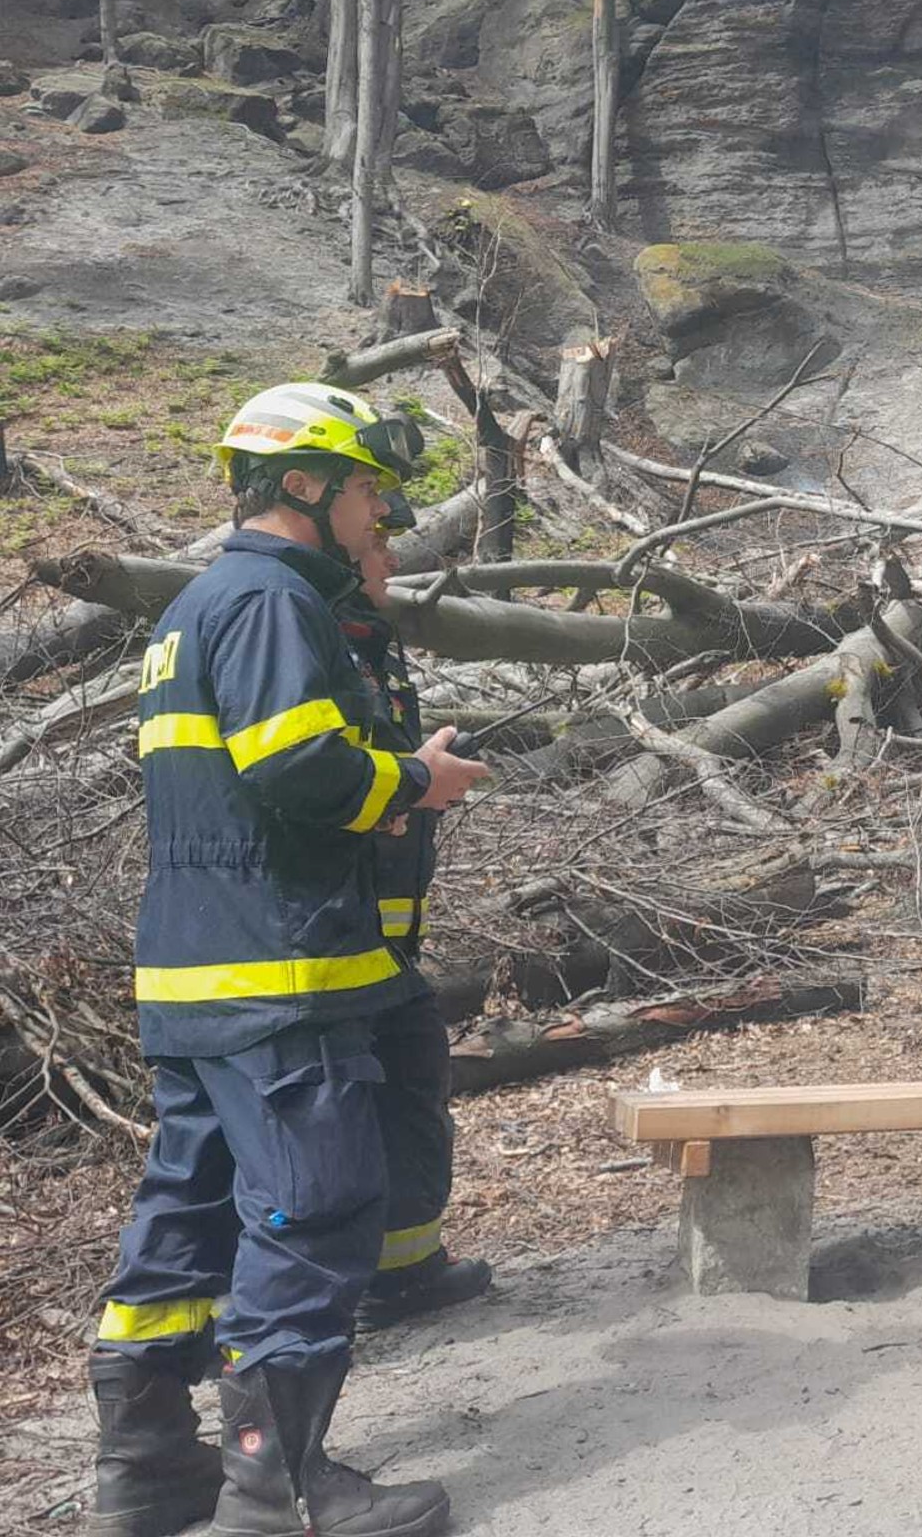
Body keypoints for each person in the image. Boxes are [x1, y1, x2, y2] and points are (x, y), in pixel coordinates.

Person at [86, 384, 486, 1537]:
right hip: (279, 971)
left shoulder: (197, 608)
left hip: (197, 972)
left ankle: (152, 1472)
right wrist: (416, 781)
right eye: (370, 490)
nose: (381, 515)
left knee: (189, 1212)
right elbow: (303, 770)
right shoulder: (268, 602)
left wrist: (390, 786)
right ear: (304, 485)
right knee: (311, 1212)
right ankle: (282, 1489)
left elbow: (249, 786)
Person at [342, 496, 494, 1330]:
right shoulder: (313, 645)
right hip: (332, 937)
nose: (391, 560)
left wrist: (422, 784)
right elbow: (319, 779)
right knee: (350, 1114)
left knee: (412, 1086)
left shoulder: (374, 647)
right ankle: (340, 1293)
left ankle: (408, 1270)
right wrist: (408, 787)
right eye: (378, 546)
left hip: (387, 935)